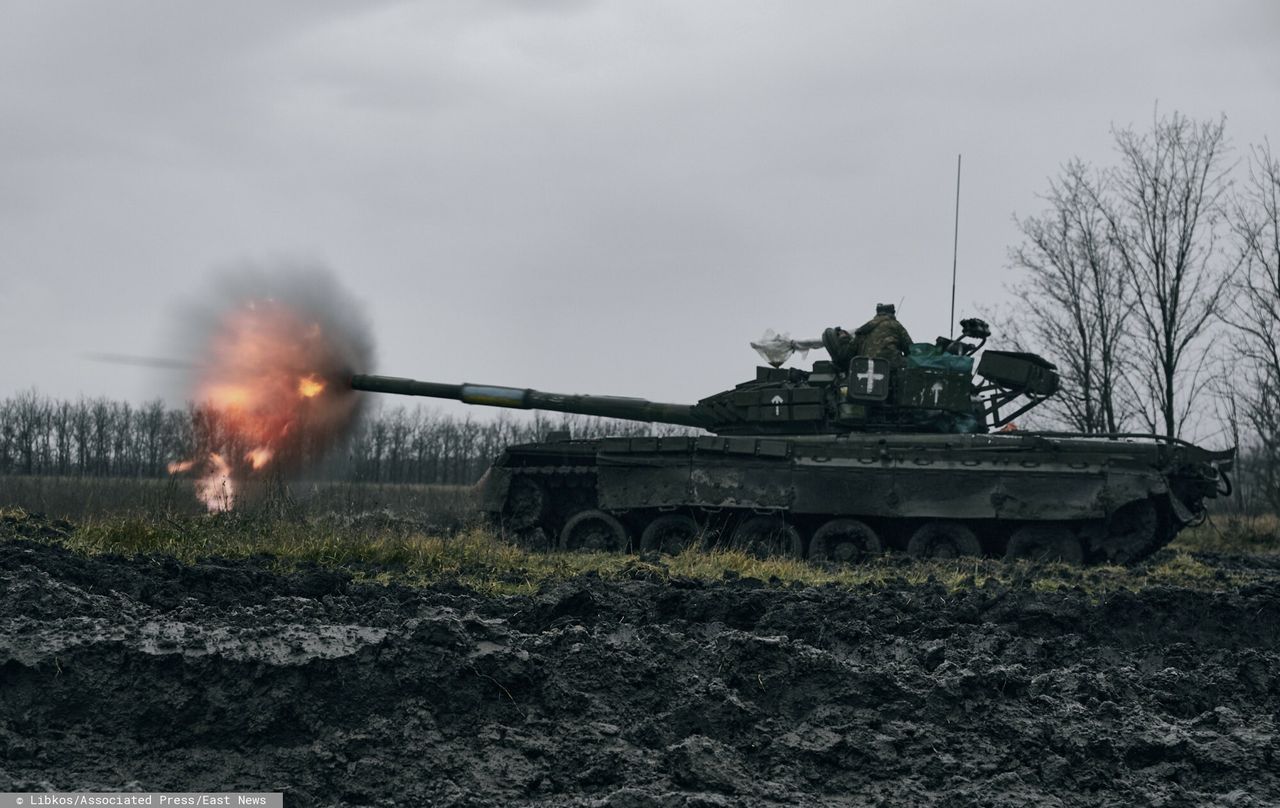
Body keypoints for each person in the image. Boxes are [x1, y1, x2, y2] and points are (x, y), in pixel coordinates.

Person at [824, 303, 913, 366]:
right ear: (892, 313)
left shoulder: (865, 328)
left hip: (865, 367)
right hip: (892, 364)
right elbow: (910, 349)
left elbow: (850, 351)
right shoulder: (895, 325)